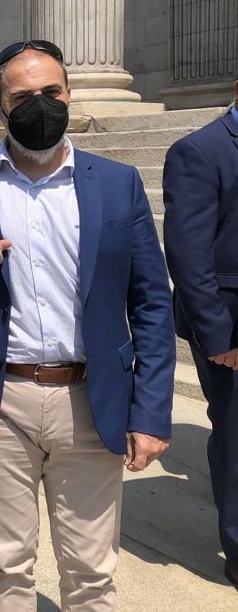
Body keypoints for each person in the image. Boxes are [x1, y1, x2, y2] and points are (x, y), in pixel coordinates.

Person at [0, 39, 176, 611]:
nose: (41, 104)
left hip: (90, 399)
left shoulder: (117, 184)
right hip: (2, 400)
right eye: (23, 96)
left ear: (69, 95)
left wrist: (150, 413)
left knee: (92, 572)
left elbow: (151, 303)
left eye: (51, 92)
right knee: (6, 564)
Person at [163, 81, 238, 590]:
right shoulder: (198, 151)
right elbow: (189, 261)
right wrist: (220, 339)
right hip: (229, 328)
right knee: (236, 439)